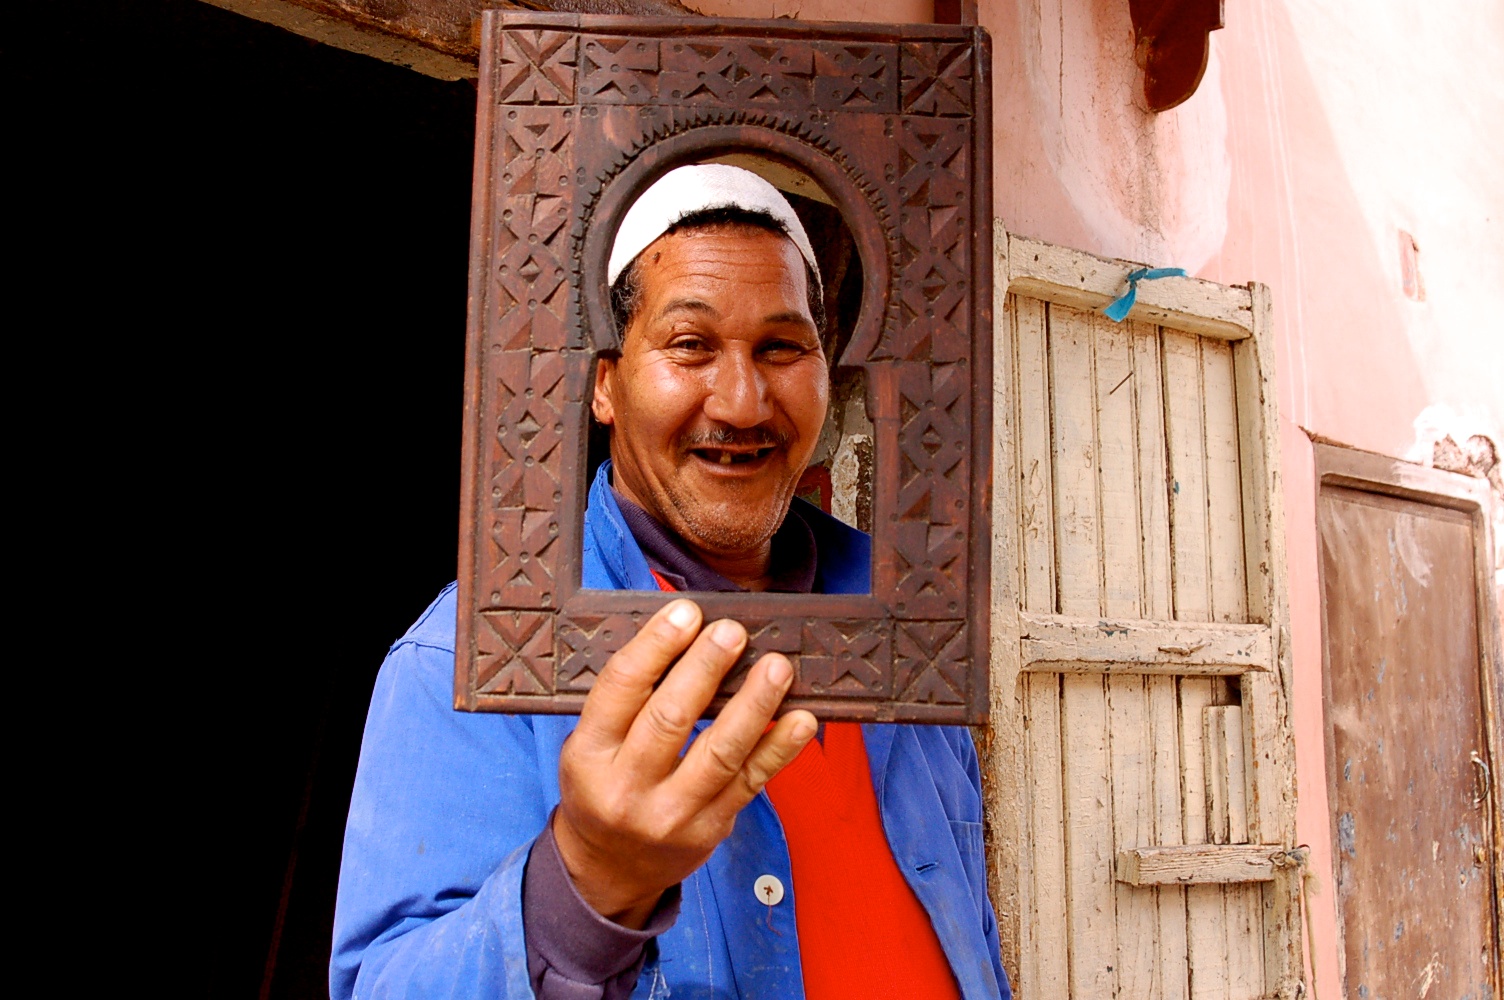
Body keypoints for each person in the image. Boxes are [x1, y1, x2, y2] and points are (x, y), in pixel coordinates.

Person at [332, 164, 1011, 1000]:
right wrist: (586, 883)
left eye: (782, 348)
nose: (743, 401)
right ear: (605, 383)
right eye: (690, 346)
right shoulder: (466, 658)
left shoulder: (910, 623)